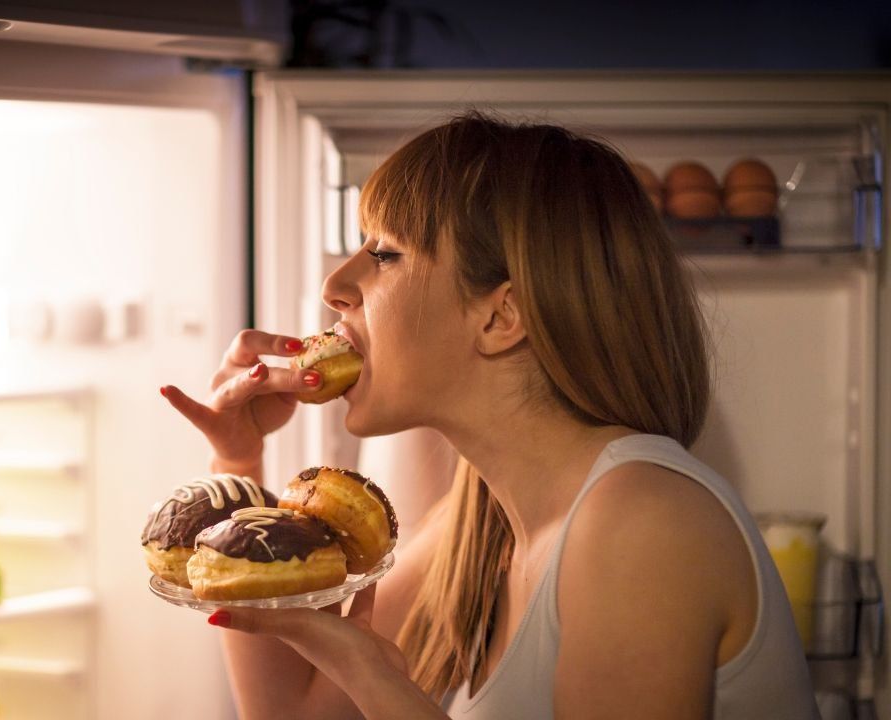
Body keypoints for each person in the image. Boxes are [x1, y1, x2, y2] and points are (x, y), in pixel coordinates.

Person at [160, 112, 818, 719]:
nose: (336, 284)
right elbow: (294, 715)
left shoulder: (641, 522)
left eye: (384, 254)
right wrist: (238, 462)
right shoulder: (480, 523)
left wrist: (383, 685)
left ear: (502, 316)